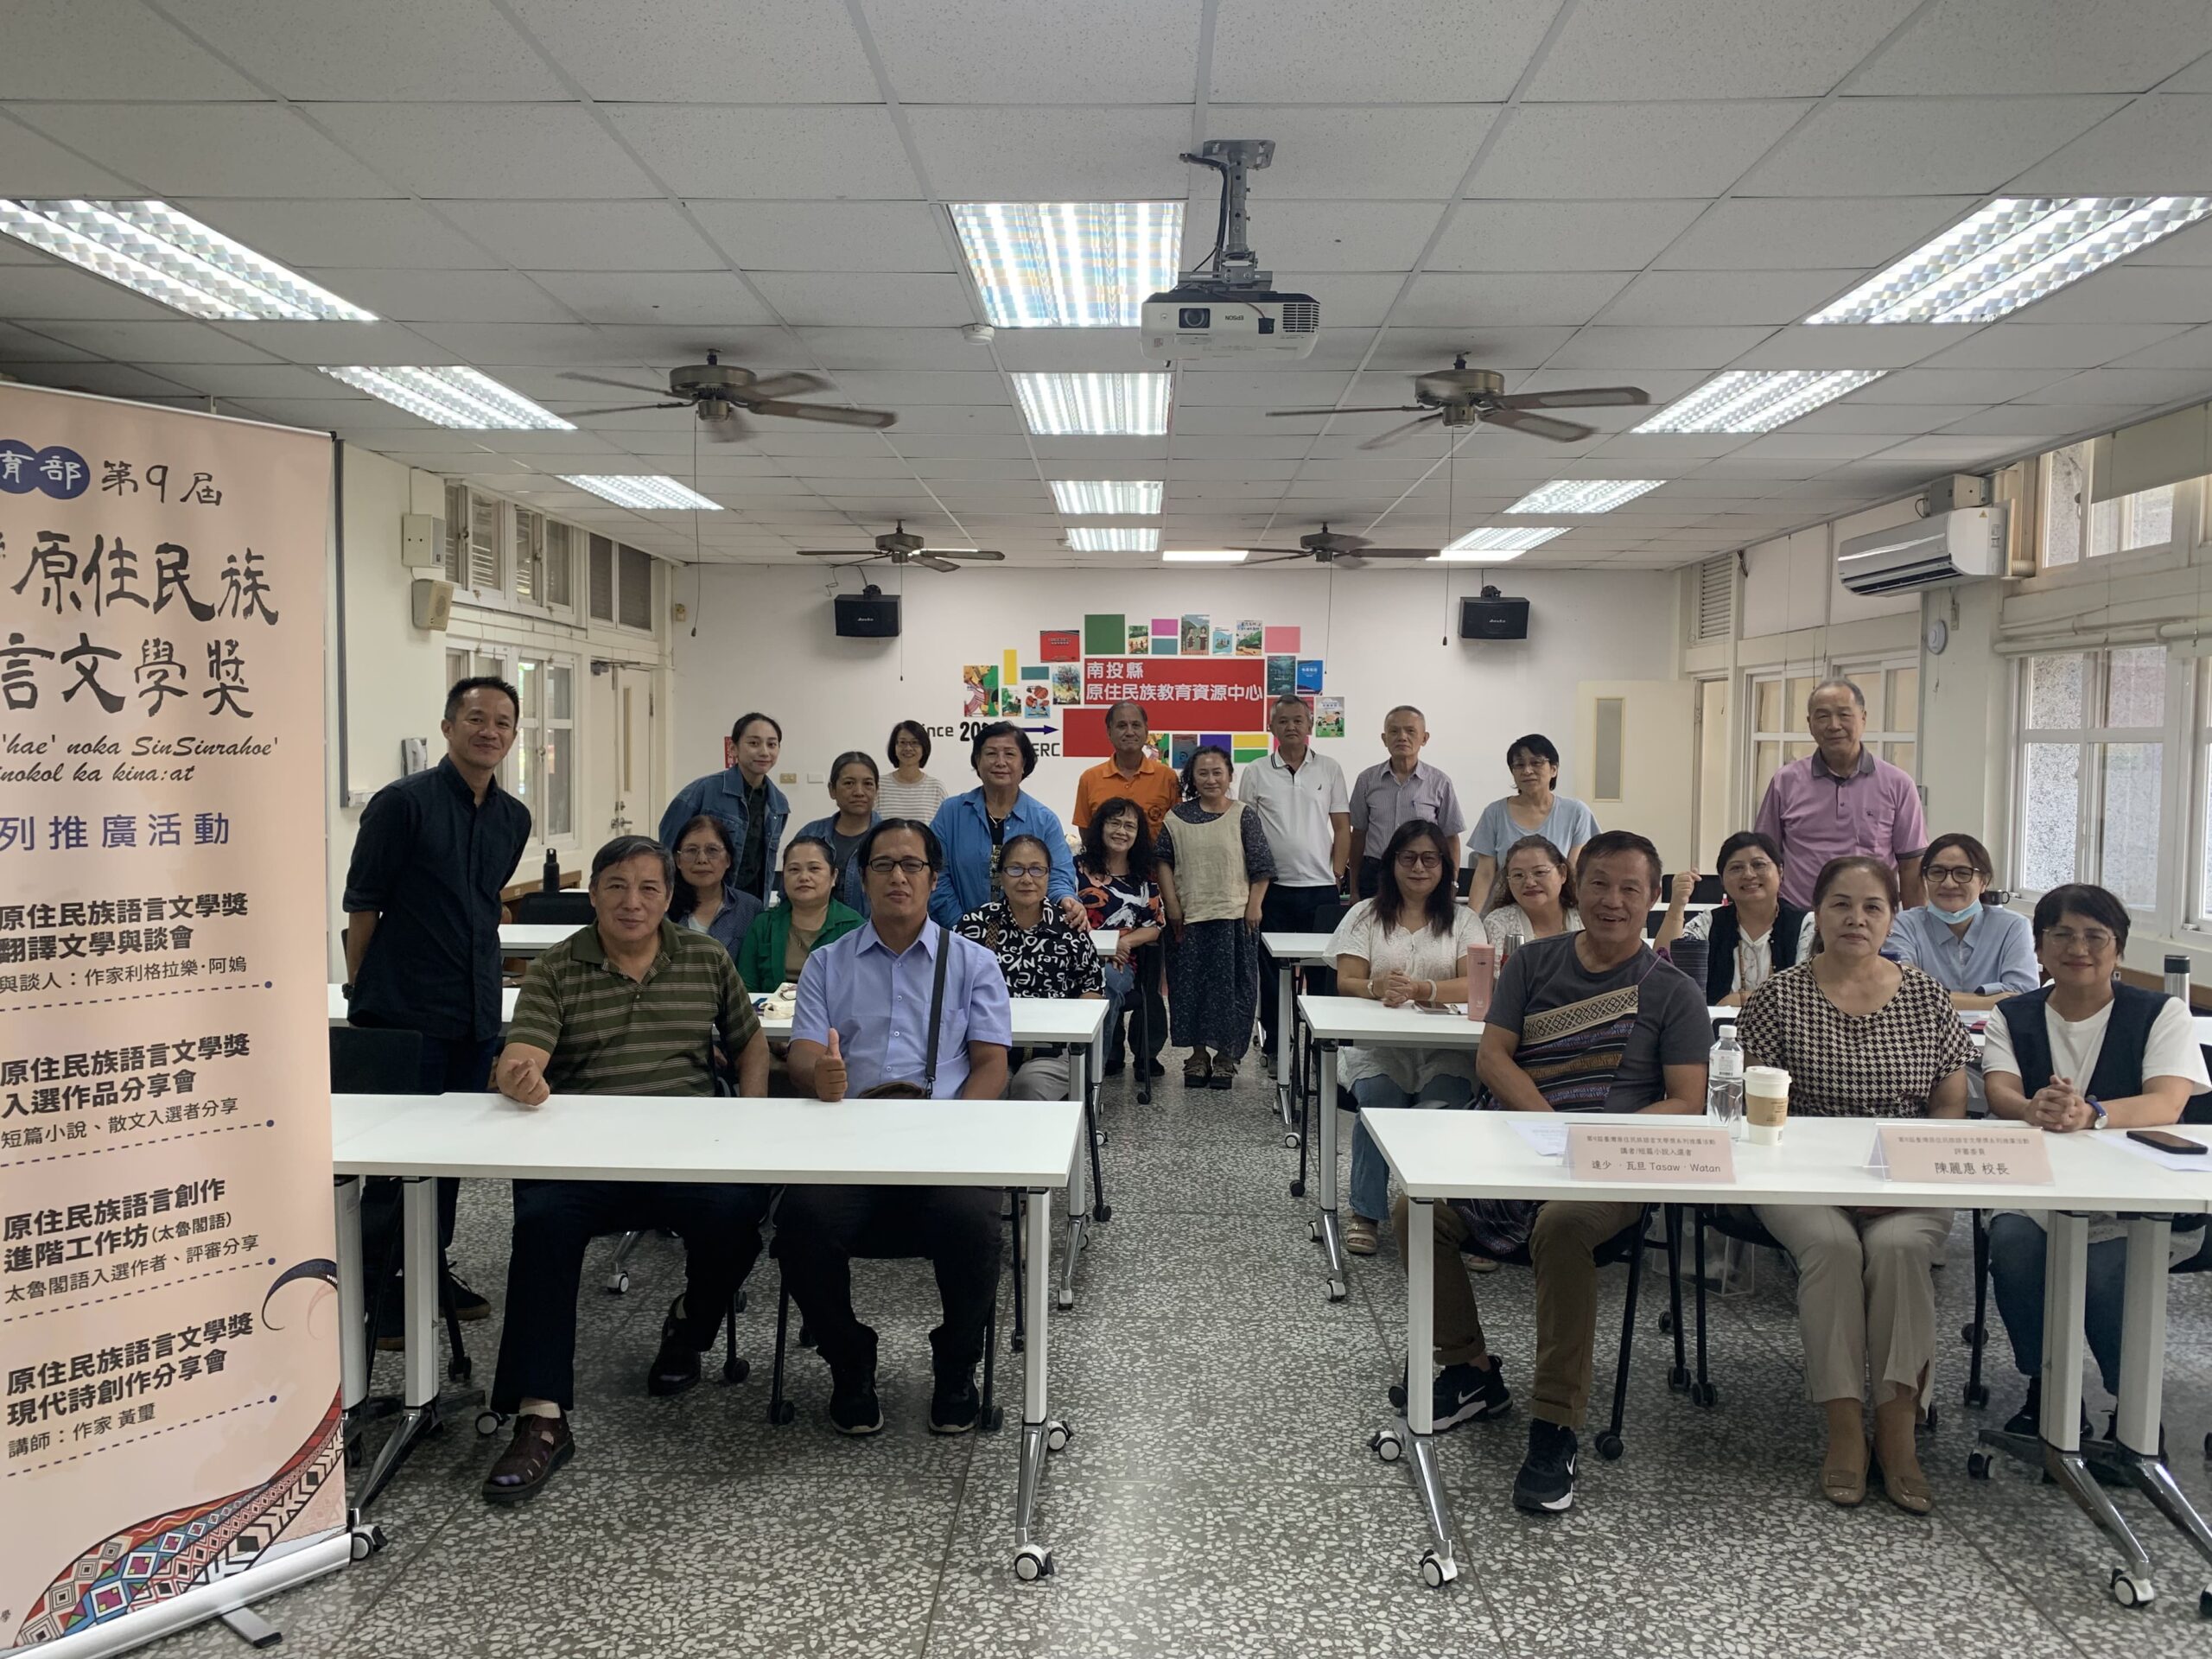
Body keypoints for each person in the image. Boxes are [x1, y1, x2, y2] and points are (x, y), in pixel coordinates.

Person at [1391, 831, 1707, 1516]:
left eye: (1630, 889)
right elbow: (1493, 1057)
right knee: (1415, 1210)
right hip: (1518, 1146)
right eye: (1599, 884)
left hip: (1609, 1169)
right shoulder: (1534, 962)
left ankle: (1555, 1422)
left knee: (1562, 1227)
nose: (1613, 901)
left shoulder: (1673, 991)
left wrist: (1591, 1143)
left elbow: (1687, 1100)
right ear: (1574, 886)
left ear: (1654, 897)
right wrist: (1549, 1130)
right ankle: (1471, 1371)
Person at [480, 835, 772, 1503]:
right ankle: (541, 1417)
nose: (632, 901)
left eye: (648, 888)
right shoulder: (557, 967)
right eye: (616, 886)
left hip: (686, 1152)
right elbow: (523, 1054)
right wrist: (520, 1077)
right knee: (542, 1222)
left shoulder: (704, 958)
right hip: (585, 1156)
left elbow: (750, 1043)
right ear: (594, 895)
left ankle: (689, 1327)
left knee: (738, 1214)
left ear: (669, 898)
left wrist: (752, 1121)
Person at [1735, 855, 1971, 1516]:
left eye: (1873, 907)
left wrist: (1906, 1177)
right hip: (1799, 1178)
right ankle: (1843, 1428)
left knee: (1899, 1249)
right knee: (1833, 1249)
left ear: (1894, 917)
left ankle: (1898, 1432)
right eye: (1841, 904)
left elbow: (1950, 1105)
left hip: (1908, 1178)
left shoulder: (1926, 997)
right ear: (1818, 912)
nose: (1856, 919)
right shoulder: (1778, 996)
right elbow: (1759, 1109)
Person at [783, 820, 1014, 1436]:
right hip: (851, 1140)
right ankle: (849, 1360)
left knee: (974, 1224)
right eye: (883, 865)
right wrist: (817, 1073)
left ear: (934, 879)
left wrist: (955, 1127)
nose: (898, 877)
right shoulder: (828, 963)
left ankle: (956, 1364)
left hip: (942, 1140)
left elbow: (992, 1063)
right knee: (800, 1222)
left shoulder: (974, 962)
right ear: (863, 879)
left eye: (912, 865)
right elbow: (802, 1052)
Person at [1982, 883, 2212, 1437]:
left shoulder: (2161, 1013)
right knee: (2013, 1245)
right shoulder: (2012, 1015)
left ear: (2119, 947)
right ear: (2039, 947)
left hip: (2139, 1196)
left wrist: (2092, 1114)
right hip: (2039, 1190)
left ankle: (2133, 1409)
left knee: (2107, 1267)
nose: (2077, 948)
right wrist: (2032, 1107)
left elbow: (2167, 1101)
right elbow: (2000, 1090)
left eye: (2095, 936)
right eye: (2061, 935)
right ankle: (2047, 1388)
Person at [342, 675, 532, 1337]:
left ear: (513, 736)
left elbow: (483, 903)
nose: (490, 731)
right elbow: (363, 906)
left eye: (503, 722)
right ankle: (375, 1287)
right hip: (403, 1012)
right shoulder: (403, 804)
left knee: (448, 1157)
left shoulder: (514, 818)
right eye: (476, 718)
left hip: (474, 1011)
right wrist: (365, 999)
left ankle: (427, 1265)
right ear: (449, 727)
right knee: (397, 1162)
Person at [1333, 820, 1485, 1256]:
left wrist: (1423, 989)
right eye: (1409, 858)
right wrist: (1375, 987)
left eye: (1430, 859)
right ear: (1392, 863)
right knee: (1379, 1103)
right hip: (1379, 1047)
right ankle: (1366, 1211)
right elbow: (1346, 979)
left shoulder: (1464, 920)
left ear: (1444, 867)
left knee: (1446, 1107)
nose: (1419, 868)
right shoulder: (1365, 915)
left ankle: (1444, 1214)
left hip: (1447, 1050)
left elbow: (1475, 984)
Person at [1240, 692, 1352, 1065]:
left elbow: (1342, 827)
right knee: (1273, 975)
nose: (1291, 726)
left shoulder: (1329, 768)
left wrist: (1337, 873)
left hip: (1320, 890)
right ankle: (1276, 1048)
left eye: (1298, 720)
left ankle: (1321, 1051)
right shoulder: (1256, 771)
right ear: (1271, 726)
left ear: (1310, 725)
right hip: (1272, 890)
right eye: (1283, 720)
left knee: (1323, 974)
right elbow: (1247, 832)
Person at [1157, 745, 1275, 1090]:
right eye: (1203, 773)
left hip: (1235, 918)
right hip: (1189, 918)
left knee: (1233, 992)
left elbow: (1262, 867)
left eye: (1217, 772)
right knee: (1190, 989)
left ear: (1229, 776)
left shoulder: (1243, 814)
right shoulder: (1176, 817)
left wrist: (1254, 906)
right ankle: (1197, 1056)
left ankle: (1226, 1058)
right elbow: (1163, 862)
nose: (1211, 779)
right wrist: (1172, 905)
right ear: (1192, 778)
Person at [1753, 679, 1927, 912]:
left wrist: (1915, 928)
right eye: (1823, 716)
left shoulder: (1898, 784)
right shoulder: (1785, 782)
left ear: (1863, 718)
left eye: (1844, 715)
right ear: (1810, 723)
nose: (1834, 725)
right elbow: (1763, 858)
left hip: (1870, 920)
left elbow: (1912, 866)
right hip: (1799, 917)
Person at [957, 833, 1107, 1099]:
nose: (1027, 879)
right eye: (1016, 869)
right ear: (1001, 875)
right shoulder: (975, 926)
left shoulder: (1069, 927)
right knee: (994, 1084)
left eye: (1037, 870)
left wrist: (1069, 1026)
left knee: (1030, 1084)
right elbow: (952, 987)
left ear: (1049, 875)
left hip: (1053, 1052)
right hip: (987, 1047)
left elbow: (1092, 986)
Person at [928, 721, 1082, 928]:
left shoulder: (1045, 820)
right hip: (957, 933)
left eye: (1009, 754)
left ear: (1024, 763)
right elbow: (936, 875)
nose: (1000, 762)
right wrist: (963, 928)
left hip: (1027, 938)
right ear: (977, 761)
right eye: (991, 754)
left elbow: (1058, 877)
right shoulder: (951, 813)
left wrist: (1066, 899)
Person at [1653, 830, 1814, 1007]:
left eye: (1758, 865)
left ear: (1780, 871)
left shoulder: (1806, 926)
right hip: (1714, 1025)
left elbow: (1810, 993)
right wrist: (1677, 906)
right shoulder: (1709, 923)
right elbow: (1663, 969)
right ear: (1722, 880)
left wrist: (1741, 999)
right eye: (1736, 868)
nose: (1749, 875)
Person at [1887, 833, 2037, 1010]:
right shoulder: (1903, 925)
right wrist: (1986, 1001)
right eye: (1937, 872)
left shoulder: (2013, 927)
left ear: (1984, 882)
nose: (1949, 884)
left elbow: (2023, 997)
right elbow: (1901, 990)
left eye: (1962, 873)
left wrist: (1930, 996)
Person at [1075, 798, 1166, 1078]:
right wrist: (1101, 948)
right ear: (1100, 827)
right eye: (1114, 823)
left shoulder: (1144, 876)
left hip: (1120, 961)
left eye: (1129, 826)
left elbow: (1155, 925)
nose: (1121, 831)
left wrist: (1123, 943)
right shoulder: (1077, 869)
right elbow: (1061, 917)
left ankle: (1090, 1075)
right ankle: (1063, 1068)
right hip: (1076, 958)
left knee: (1107, 981)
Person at [660, 711, 790, 906]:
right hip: (698, 903)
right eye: (754, 743)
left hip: (750, 906)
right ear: (733, 748)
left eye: (772, 744)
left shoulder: (778, 804)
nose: (764, 752)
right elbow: (666, 849)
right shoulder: (702, 791)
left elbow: (766, 866)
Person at [1466, 734, 1599, 906]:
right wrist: (1472, 918)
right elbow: (1485, 873)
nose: (1527, 771)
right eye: (1519, 765)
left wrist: (1577, 914)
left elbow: (1574, 869)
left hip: (1557, 909)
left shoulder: (1576, 812)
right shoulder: (1494, 813)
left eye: (1536, 763)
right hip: (1505, 908)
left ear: (1554, 769)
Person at [1348, 705, 1466, 897]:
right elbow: (1358, 834)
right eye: (1394, 731)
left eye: (1410, 731)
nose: (1402, 737)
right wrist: (1353, 886)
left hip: (1421, 871)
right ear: (1384, 739)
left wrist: (1452, 882)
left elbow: (1451, 837)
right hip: (1376, 872)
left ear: (1424, 738)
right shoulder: (1366, 780)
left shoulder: (1439, 782)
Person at [736, 836, 862, 995]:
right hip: (767, 1011)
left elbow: (861, 991)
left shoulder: (854, 927)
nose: (804, 877)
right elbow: (745, 988)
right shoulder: (763, 925)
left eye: (814, 869)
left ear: (833, 876)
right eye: (794, 870)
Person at [1071, 699, 1181, 834]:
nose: (1130, 732)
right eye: (1122, 726)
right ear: (1109, 732)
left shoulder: (1167, 777)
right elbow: (1086, 831)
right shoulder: (1090, 778)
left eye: (1136, 725)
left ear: (1146, 731)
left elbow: (1178, 829)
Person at [792, 750, 880, 913]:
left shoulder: (889, 838)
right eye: (849, 783)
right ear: (832, 790)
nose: (859, 792)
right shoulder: (811, 834)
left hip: (872, 928)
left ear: (877, 790)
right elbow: (789, 891)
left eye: (868, 784)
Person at [668, 812, 765, 961]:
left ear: (728, 860)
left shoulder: (750, 908)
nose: (701, 859)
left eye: (712, 850)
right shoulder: (662, 906)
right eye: (691, 850)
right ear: (678, 860)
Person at [1480, 834, 1583, 953]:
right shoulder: (1498, 923)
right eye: (1518, 875)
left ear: (1562, 873)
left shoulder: (1584, 918)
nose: (1529, 883)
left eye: (1539, 872)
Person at [878, 719, 947, 822]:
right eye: (902, 742)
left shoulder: (936, 788)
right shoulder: (879, 786)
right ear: (894, 747)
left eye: (914, 743)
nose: (908, 748)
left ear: (924, 747)